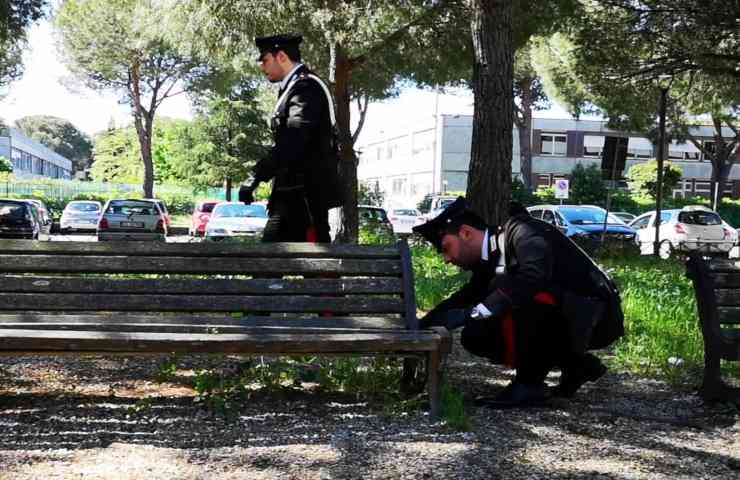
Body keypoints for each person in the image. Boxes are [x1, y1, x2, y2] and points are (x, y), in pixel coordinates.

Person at [413, 197, 623, 408]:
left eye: (446, 248)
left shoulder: (523, 231)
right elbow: (466, 297)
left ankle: (529, 383)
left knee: (523, 294)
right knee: (476, 334)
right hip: (571, 317)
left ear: (466, 233)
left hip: (596, 318)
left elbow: (533, 277)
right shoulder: (494, 253)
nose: (446, 259)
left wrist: (473, 313)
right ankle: (576, 365)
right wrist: (421, 325)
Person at [239, 33, 341, 242]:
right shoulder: (295, 88)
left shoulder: (306, 88)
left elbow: (294, 140)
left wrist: (256, 176)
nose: (262, 66)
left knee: (284, 263)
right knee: (280, 264)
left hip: (304, 196)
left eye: (265, 59)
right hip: (293, 196)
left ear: (282, 57)